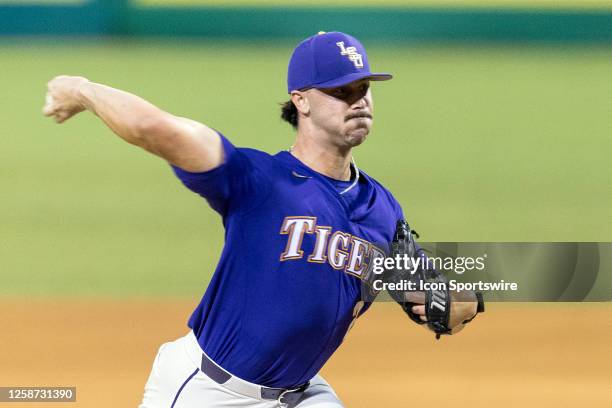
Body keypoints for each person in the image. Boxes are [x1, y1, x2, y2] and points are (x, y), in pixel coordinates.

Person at [43, 31, 479, 408]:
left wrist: (461, 302)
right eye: (341, 90)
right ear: (301, 101)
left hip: (301, 393)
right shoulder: (257, 180)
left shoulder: (382, 209)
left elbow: (434, 297)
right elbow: (156, 128)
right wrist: (81, 89)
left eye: (364, 87)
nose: (359, 101)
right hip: (209, 391)